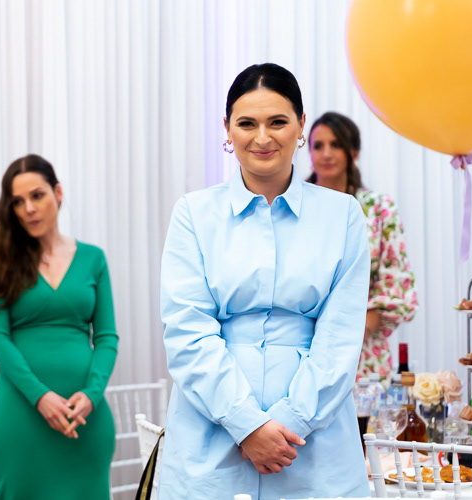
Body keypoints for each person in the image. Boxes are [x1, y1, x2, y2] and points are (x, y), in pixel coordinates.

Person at [159, 63, 371, 499]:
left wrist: (291, 423)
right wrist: (246, 424)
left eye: (277, 122)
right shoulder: (193, 214)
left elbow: (340, 336)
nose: (262, 137)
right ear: (227, 129)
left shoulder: (343, 215)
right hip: (211, 428)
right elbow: (186, 331)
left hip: (312, 439)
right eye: (246, 123)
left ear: (300, 125)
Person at [0, 154, 118, 499]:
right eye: (17, 202)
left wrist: (92, 395)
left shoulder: (93, 258)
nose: (29, 208)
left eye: (37, 195)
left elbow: (107, 337)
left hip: (84, 419)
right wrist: (40, 397)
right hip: (20, 420)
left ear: (58, 193)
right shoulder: (0, 262)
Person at [307, 111, 417, 384]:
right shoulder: (294, 207)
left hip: (363, 351)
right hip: (302, 346)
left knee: (367, 413)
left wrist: (355, 330)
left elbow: (397, 284)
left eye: (336, 145)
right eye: (318, 146)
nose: (326, 154)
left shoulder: (379, 208)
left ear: (353, 153)